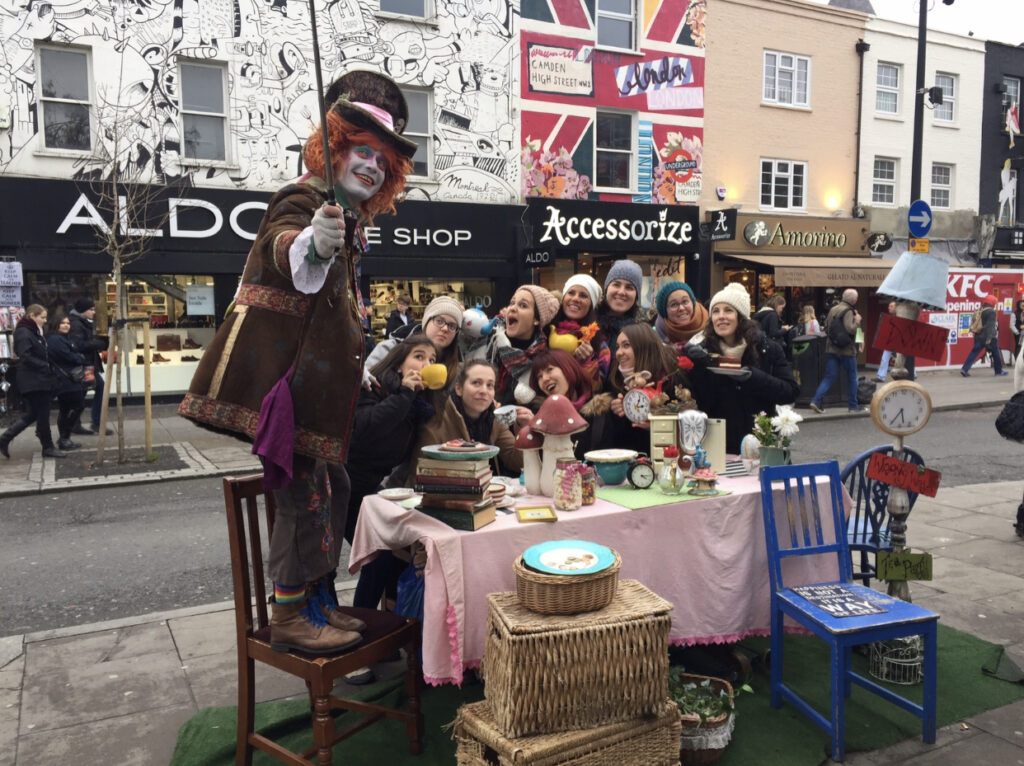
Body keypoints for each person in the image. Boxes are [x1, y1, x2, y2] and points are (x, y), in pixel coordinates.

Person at [179, 70, 417, 654]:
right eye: (362, 151)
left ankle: (315, 603)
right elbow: (286, 251)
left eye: (383, 160)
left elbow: (329, 309)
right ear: (332, 147)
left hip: (321, 395)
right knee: (307, 498)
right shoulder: (305, 199)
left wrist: (359, 364)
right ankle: (289, 614)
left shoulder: (348, 217)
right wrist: (312, 239)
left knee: (328, 493)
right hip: (290, 395)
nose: (373, 166)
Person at [685, 283, 799, 453]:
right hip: (718, 446)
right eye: (715, 311)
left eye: (728, 310)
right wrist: (697, 367)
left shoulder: (766, 348)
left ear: (741, 317)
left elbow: (790, 392)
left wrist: (752, 377)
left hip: (761, 442)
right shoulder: (703, 352)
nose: (721, 316)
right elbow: (697, 403)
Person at [414, 359, 523, 478]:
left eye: (490, 385)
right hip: (445, 492)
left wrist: (523, 429)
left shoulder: (494, 419)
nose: (484, 391)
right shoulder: (438, 419)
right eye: (476, 383)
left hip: (484, 490)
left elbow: (517, 463)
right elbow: (421, 473)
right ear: (459, 389)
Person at [588, 322, 683, 455]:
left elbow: (687, 428)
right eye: (617, 347)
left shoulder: (672, 379)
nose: (619, 353)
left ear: (643, 347)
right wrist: (618, 412)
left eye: (626, 345)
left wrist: (656, 425)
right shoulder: (615, 380)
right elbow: (615, 443)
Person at [468, 285, 557, 411]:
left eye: (523, 305)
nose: (513, 308)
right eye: (512, 303)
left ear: (537, 319)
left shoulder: (545, 360)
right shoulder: (489, 342)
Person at [365, 295, 464, 393]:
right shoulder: (390, 349)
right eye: (439, 321)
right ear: (426, 321)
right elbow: (363, 386)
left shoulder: (457, 367)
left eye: (452, 326)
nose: (445, 328)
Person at [1, 305, 63, 459]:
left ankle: (5, 439)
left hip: (38, 379)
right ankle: (47, 447)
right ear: (31, 316)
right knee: (41, 414)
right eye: (42, 317)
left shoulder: (33, 332)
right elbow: (25, 355)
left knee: (35, 414)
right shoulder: (24, 332)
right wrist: (44, 365)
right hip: (33, 380)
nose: (45, 320)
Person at [548, 274, 610, 393]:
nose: (576, 298)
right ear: (563, 298)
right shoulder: (546, 329)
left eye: (583, 295)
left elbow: (597, 388)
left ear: (591, 306)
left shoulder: (601, 346)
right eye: (571, 293)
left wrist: (587, 362)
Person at [809, 289, 863, 414]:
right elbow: (851, 329)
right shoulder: (849, 311)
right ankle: (853, 406)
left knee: (829, 377)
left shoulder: (833, 309)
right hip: (846, 350)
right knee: (852, 377)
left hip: (832, 348)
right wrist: (858, 321)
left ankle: (816, 400)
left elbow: (826, 327)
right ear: (853, 300)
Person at [67, 297, 111, 436]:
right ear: (82, 311)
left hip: (86, 363)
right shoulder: (77, 324)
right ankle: (94, 422)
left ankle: (76, 423)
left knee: (84, 393)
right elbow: (78, 345)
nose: (93, 312)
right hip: (84, 365)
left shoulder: (81, 322)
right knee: (97, 388)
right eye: (91, 309)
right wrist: (99, 343)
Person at [46, 312, 87, 451]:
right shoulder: (56, 340)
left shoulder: (63, 338)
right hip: (66, 380)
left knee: (66, 409)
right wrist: (79, 357)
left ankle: (64, 438)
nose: (66, 326)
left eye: (68, 323)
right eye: (63, 323)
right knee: (77, 406)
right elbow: (71, 357)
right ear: (56, 324)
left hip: (68, 378)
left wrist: (77, 356)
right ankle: (64, 437)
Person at [597, 260, 643, 357]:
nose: (622, 292)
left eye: (629, 287)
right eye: (616, 285)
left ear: (636, 296)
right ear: (606, 289)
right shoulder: (587, 323)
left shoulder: (642, 334)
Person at [652, 280, 708, 353]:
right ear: (665, 312)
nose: (681, 308)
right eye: (674, 304)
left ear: (692, 302)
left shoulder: (710, 330)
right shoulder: (653, 337)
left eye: (685, 301)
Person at [961, 294, 1008, 377]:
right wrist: (989, 338)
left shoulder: (980, 309)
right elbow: (990, 326)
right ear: (992, 302)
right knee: (996, 353)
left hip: (978, 335)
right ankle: (998, 371)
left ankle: (964, 369)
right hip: (989, 337)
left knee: (974, 352)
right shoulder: (991, 312)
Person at [752, 294, 794, 359]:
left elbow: (766, 327)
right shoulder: (773, 315)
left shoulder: (762, 313)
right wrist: (785, 329)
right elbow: (773, 333)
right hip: (770, 347)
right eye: (782, 307)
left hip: (760, 345)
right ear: (777, 305)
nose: (782, 310)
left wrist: (780, 327)